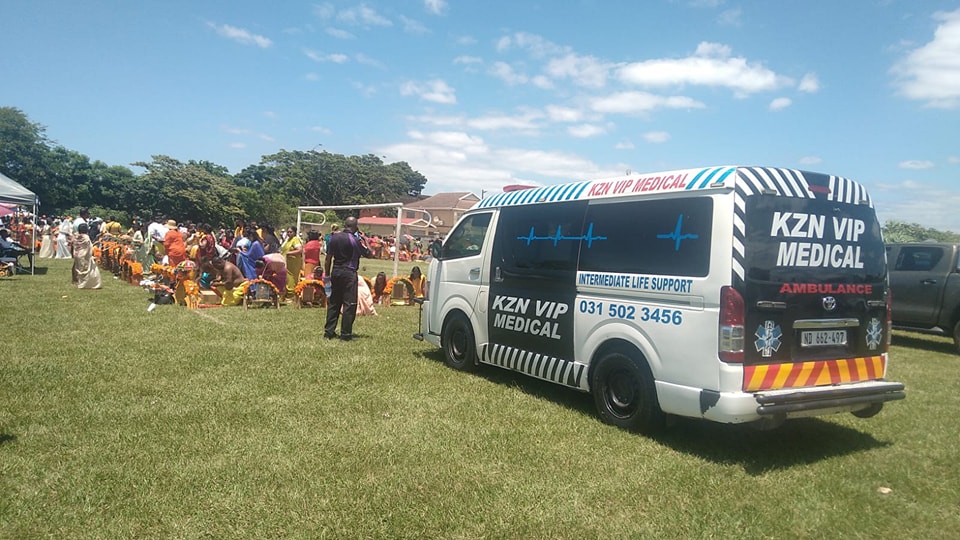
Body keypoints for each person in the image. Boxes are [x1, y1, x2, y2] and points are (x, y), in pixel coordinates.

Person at [323, 216, 371, 341]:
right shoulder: (354, 240)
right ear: (355, 227)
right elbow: (370, 254)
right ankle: (345, 335)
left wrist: (327, 274)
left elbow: (328, 258)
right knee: (349, 304)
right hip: (349, 273)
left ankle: (329, 332)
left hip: (336, 271)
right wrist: (365, 239)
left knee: (334, 302)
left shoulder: (334, 237)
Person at [71, 223, 101, 289]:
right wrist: (95, 243)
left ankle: (76, 281)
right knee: (87, 269)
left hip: (77, 254)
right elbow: (89, 246)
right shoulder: (86, 237)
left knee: (77, 267)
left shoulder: (76, 236)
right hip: (85, 255)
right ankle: (85, 284)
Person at [280, 226, 303, 298]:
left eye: (291, 232)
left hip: (293, 263)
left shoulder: (295, 239)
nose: (289, 233)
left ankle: (291, 294)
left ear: (295, 232)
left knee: (291, 278)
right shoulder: (288, 240)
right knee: (287, 278)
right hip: (287, 263)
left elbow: (299, 250)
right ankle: (286, 293)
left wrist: (289, 253)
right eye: (288, 232)